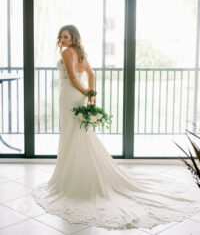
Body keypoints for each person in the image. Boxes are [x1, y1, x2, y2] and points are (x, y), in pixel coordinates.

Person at [32, 25, 200, 231]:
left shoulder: (67, 52)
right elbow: (91, 75)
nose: (62, 39)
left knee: (71, 134)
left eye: (65, 36)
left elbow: (74, 78)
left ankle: (74, 176)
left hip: (70, 96)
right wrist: (91, 95)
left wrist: (86, 92)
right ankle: (82, 170)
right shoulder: (80, 53)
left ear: (73, 37)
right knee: (80, 134)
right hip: (77, 97)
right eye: (60, 36)